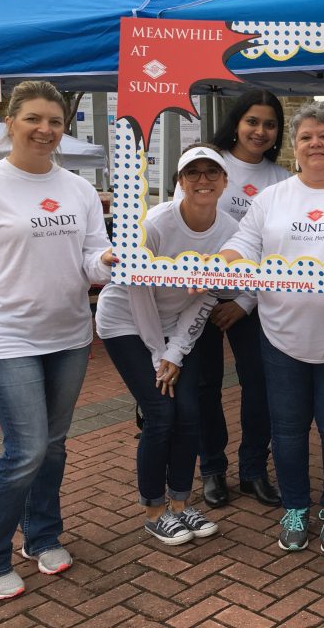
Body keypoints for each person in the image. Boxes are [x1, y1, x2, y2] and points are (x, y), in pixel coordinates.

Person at [0, 81, 114, 600]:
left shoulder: (79, 189)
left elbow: (90, 258)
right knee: (26, 449)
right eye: (34, 119)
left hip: (68, 335)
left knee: (54, 447)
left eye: (55, 122)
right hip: (4, 338)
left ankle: (41, 536)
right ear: (10, 121)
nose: (46, 130)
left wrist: (106, 263)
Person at [219, 101, 324, 554]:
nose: (315, 143)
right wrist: (216, 265)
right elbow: (244, 243)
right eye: (305, 137)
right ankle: (295, 506)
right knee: (289, 428)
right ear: (293, 146)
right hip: (280, 334)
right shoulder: (273, 198)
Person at [96, 145, 236, 546]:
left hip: (176, 325)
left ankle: (180, 504)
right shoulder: (156, 223)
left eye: (213, 172)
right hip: (126, 320)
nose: (203, 180)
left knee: (189, 412)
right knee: (161, 411)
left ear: (226, 181)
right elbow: (137, 293)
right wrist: (160, 355)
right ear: (180, 181)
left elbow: (206, 297)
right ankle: (154, 511)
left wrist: (175, 351)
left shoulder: (229, 232)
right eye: (193, 173)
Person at [174, 89, 290, 509]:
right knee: (204, 385)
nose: (260, 131)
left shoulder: (281, 180)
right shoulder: (205, 163)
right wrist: (208, 294)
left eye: (270, 124)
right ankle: (212, 469)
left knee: (259, 385)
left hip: (254, 302)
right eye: (252, 121)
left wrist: (244, 302)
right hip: (198, 298)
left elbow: (281, 250)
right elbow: (182, 232)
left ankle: (254, 469)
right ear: (236, 122)